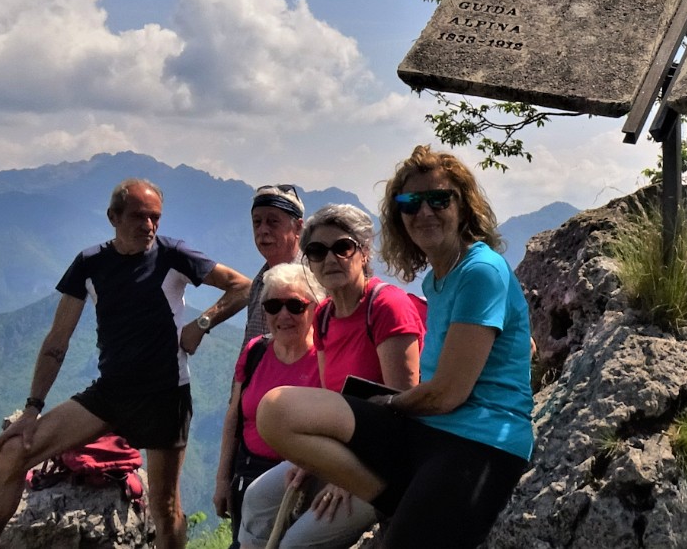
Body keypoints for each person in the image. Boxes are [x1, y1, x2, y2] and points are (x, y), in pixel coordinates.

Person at [255, 147, 534, 549]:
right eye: (410, 202)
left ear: (464, 206)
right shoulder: (437, 280)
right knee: (278, 410)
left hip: (479, 441)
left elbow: (447, 394)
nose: (424, 212)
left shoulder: (480, 270)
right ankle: (396, 500)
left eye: (439, 199)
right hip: (427, 431)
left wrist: (386, 405)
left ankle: (407, 507)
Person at [0, 178, 251, 549]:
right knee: (14, 453)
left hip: (164, 396)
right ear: (113, 218)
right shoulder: (90, 264)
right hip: (110, 393)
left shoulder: (173, 255)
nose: (148, 225)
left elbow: (243, 286)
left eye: (155, 217)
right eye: (138, 216)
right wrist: (31, 410)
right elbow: (57, 341)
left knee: (165, 507)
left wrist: (201, 324)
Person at [238, 203, 425, 549]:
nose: (329, 258)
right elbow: (330, 400)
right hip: (348, 446)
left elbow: (405, 409)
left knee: (296, 544)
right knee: (257, 499)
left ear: (364, 251)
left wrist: (345, 478)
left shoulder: (386, 306)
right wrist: (310, 459)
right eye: (316, 251)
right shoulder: (324, 316)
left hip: (389, 461)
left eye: (342, 247)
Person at [214, 262, 324, 549]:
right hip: (247, 474)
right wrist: (223, 479)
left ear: (315, 307)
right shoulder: (256, 351)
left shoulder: (327, 360)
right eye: (273, 306)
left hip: (302, 481)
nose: (283, 315)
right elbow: (234, 418)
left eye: (295, 306)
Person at [241, 184, 305, 343]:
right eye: (257, 222)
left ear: (298, 228)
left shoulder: (313, 280)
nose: (263, 230)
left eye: (273, 221)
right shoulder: (259, 282)